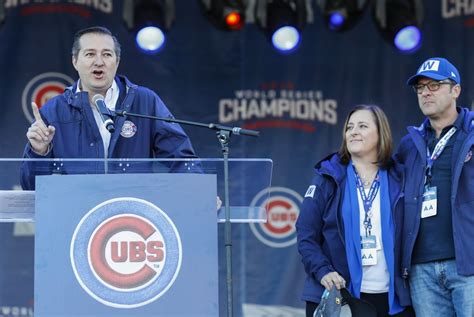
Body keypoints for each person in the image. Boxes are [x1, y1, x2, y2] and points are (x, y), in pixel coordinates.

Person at [21, 26, 198, 190]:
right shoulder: (53, 110)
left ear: (117, 61)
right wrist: (39, 152)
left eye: (107, 54)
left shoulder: (144, 101)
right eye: (90, 54)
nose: (99, 62)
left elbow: (180, 157)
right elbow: (31, 188)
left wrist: (199, 189)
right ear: (75, 61)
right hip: (76, 214)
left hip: (131, 213)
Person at [296, 105, 414, 317]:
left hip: (392, 299)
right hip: (340, 296)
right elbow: (306, 234)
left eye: (362, 126)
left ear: (381, 134)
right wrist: (323, 271)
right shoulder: (328, 178)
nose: (353, 132)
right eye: (349, 127)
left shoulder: (400, 177)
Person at [396, 57, 474, 317]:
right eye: (420, 88)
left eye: (435, 85)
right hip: (422, 269)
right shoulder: (409, 144)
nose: (425, 92)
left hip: (469, 264)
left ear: (456, 90)